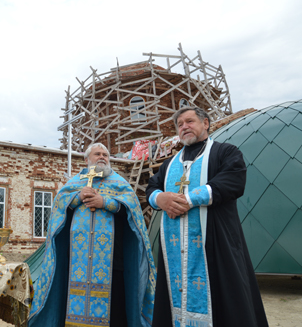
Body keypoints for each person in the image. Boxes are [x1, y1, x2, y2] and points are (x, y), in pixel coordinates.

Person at [146, 106, 268, 327]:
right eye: (180, 124)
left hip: (215, 243)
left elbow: (232, 181)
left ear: (206, 123)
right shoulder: (169, 164)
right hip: (176, 249)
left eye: (190, 121)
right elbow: (152, 188)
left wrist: (189, 199)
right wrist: (160, 199)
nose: (184, 127)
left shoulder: (226, 152)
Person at [29, 143, 156, 327]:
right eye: (97, 154)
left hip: (113, 262)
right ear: (86, 159)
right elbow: (58, 210)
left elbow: (133, 212)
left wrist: (105, 202)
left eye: (105, 154)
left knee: (116, 312)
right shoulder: (74, 183)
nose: (102, 157)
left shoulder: (120, 183)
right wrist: (78, 197)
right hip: (76, 263)